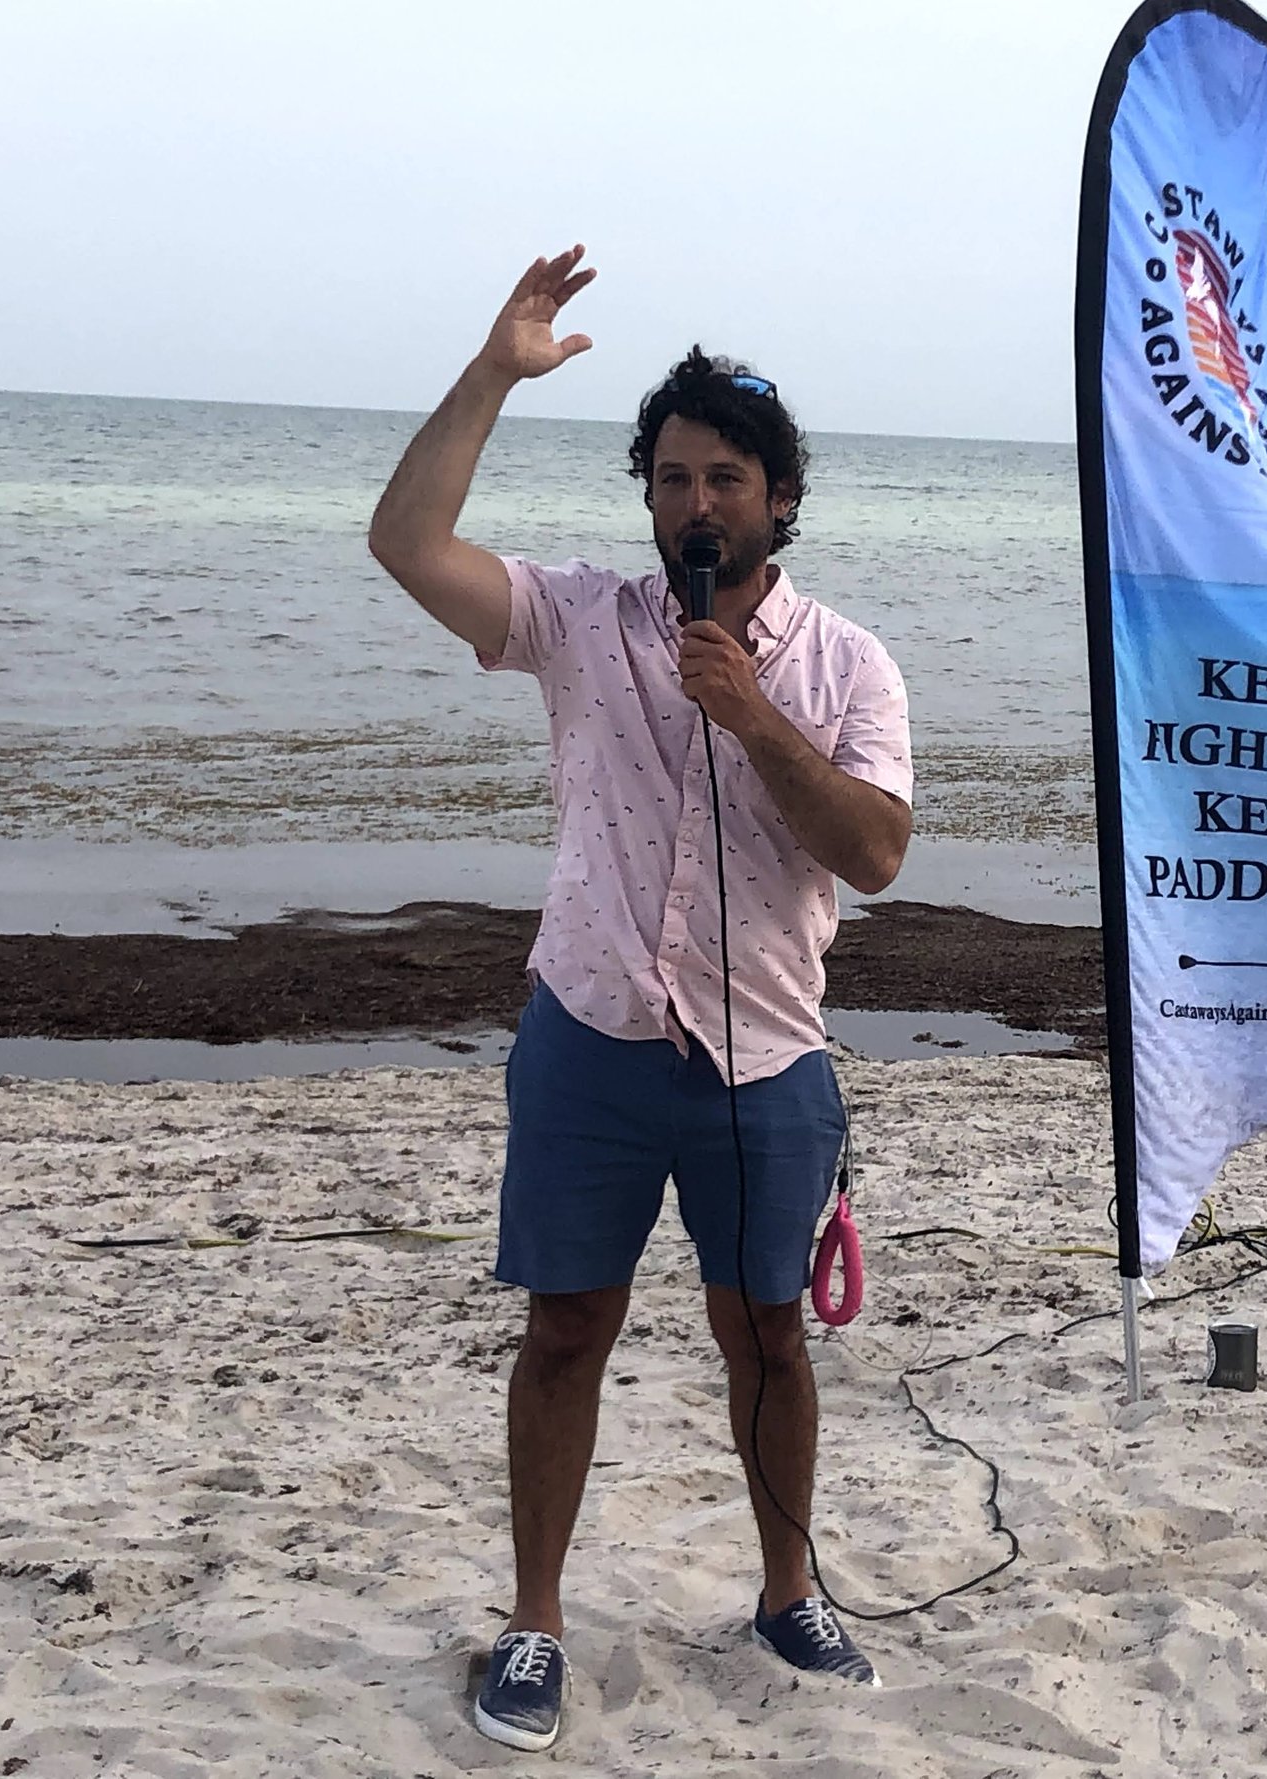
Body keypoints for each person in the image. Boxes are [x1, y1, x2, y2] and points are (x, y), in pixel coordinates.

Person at [367, 249, 914, 1752]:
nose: (697, 504)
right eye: (672, 479)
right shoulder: (578, 621)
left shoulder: (849, 664)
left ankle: (789, 1592)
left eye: (726, 478)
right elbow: (405, 541)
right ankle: (535, 1622)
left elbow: (875, 854)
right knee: (565, 1332)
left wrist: (756, 719)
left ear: (780, 499)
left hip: (766, 1058)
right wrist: (496, 371)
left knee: (770, 1340)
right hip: (589, 1040)